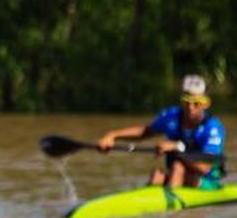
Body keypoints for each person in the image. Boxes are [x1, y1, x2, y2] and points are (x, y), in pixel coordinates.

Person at [97, 75, 226, 188]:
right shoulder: (171, 116)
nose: (191, 108)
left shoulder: (213, 128)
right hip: (179, 175)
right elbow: (146, 131)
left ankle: (173, 201)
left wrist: (178, 148)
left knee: (178, 167)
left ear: (205, 104)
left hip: (207, 181)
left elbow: (205, 168)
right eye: (186, 102)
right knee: (156, 176)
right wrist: (112, 135)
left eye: (196, 103)